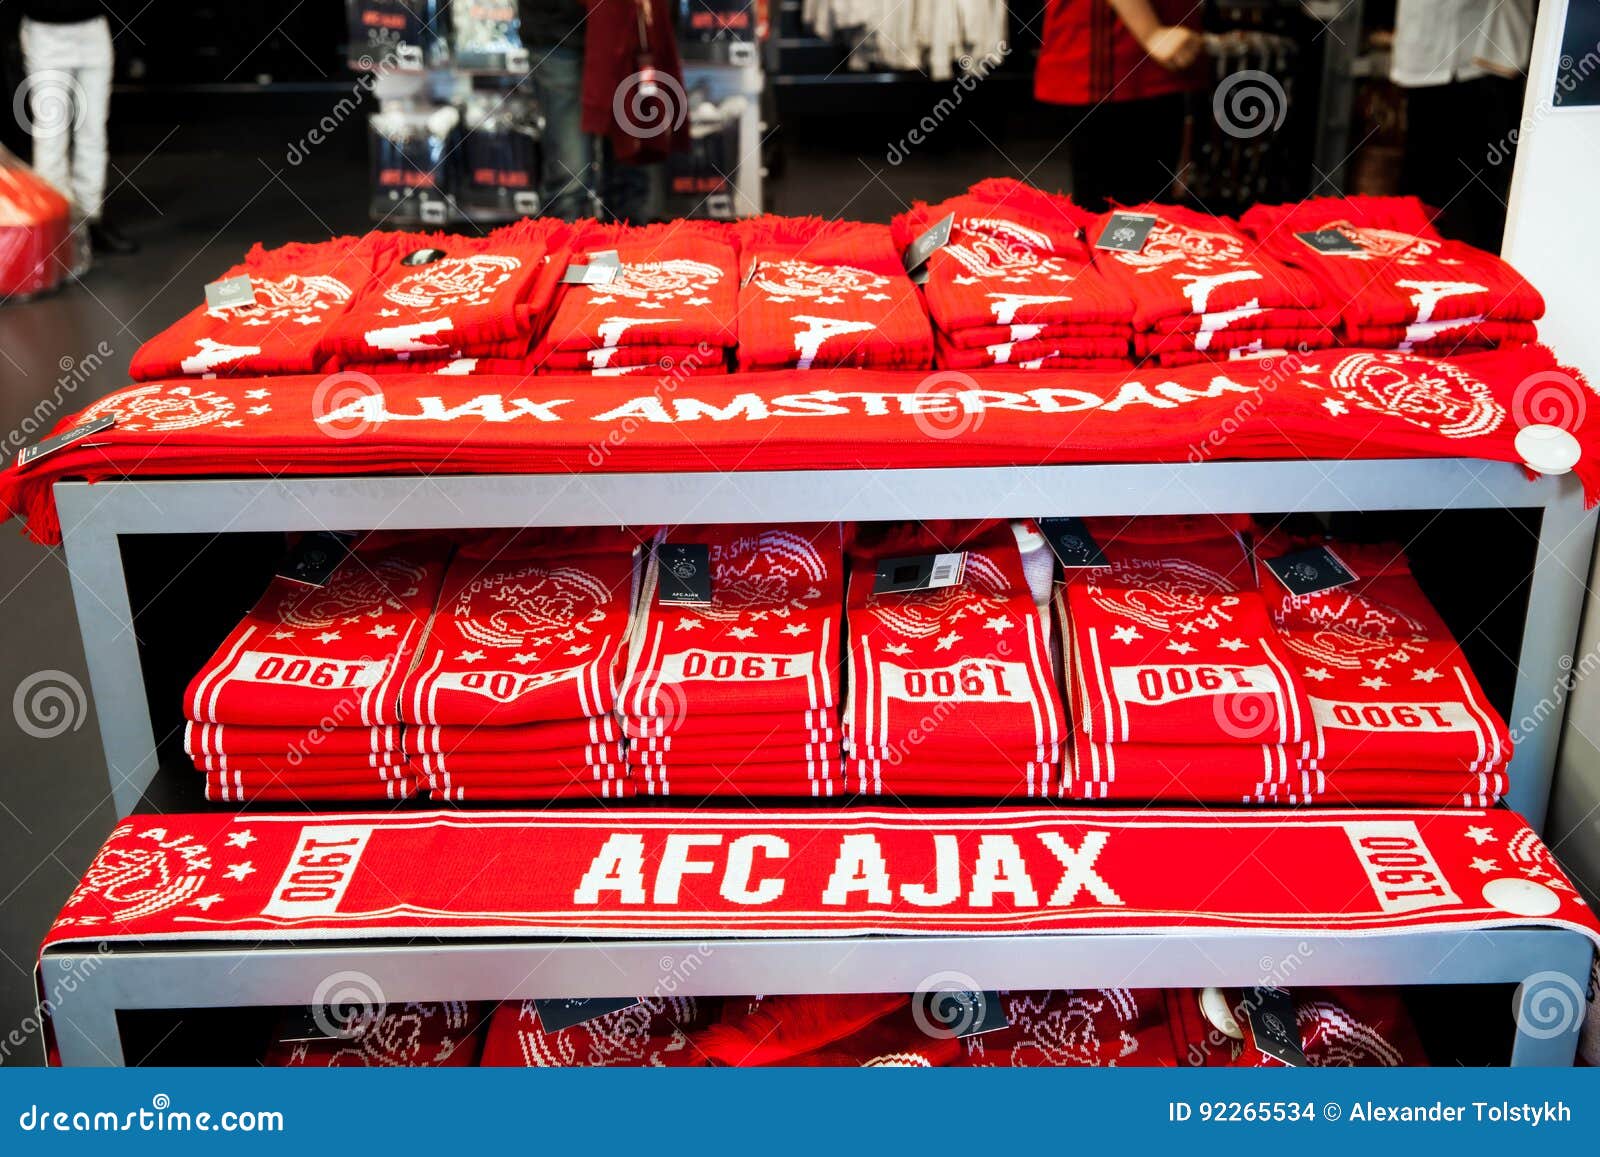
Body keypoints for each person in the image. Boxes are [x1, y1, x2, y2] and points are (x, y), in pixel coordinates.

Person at [1034, 0, 1206, 211]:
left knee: (1142, 213)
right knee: (1123, 214)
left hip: (1141, 61)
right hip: (1120, 62)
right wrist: (1151, 33)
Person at [1390, 0, 1531, 250]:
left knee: (1485, 195)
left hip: (1493, 58)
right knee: (1424, 189)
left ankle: (1482, 272)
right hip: (1428, 53)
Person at [18, 0, 135, 253]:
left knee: (93, 132)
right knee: (52, 133)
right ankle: (55, 227)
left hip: (92, 27)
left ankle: (90, 220)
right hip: (45, 30)